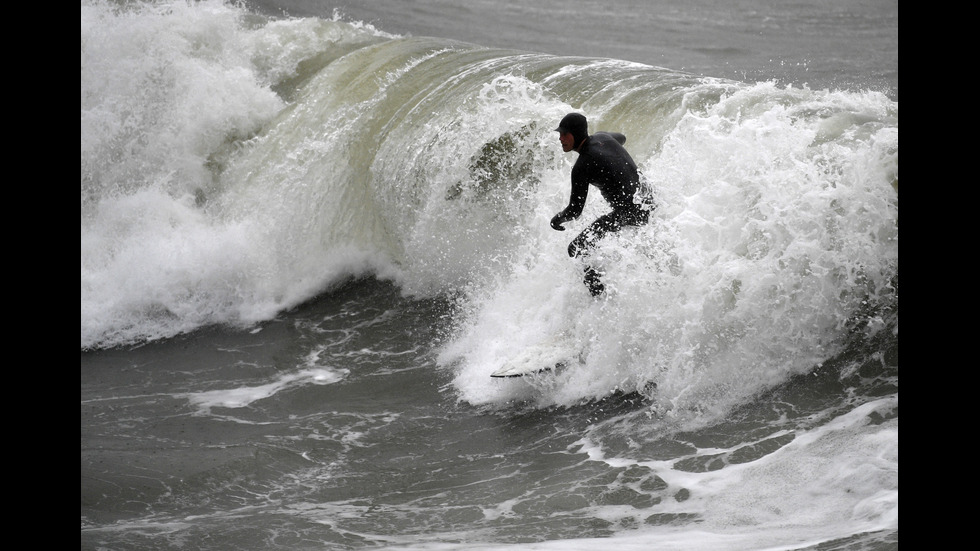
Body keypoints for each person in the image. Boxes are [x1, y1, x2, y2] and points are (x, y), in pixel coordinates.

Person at [550, 112, 652, 296]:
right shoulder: (605, 137)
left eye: (565, 134)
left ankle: (600, 297)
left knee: (575, 248)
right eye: (560, 134)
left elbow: (575, 211)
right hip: (647, 200)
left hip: (629, 212)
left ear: (576, 133)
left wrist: (557, 220)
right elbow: (622, 137)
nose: (560, 138)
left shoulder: (582, 166)